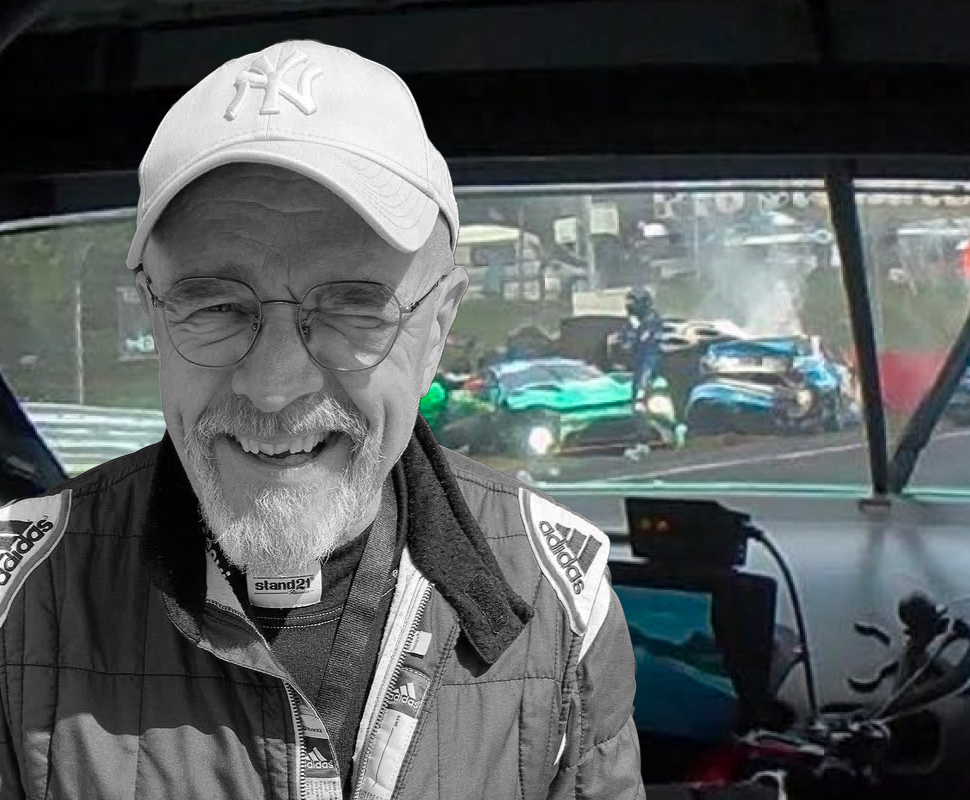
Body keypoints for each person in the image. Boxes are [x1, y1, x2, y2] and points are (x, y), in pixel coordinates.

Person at [0, 40, 644, 800]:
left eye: (353, 307)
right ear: (153, 312)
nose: (274, 387)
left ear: (438, 328)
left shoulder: (564, 602)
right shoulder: (17, 603)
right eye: (216, 306)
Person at [618, 288, 663, 458]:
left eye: (633, 303)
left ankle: (644, 441)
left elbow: (648, 349)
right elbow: (625, 345)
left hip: (647, 368)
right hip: (638, 369)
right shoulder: (633, 323)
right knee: (636, 405)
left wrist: (646, 377)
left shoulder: (652, 322)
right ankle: (641, 440)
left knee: (640, 404)